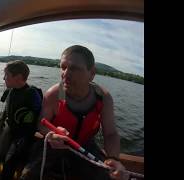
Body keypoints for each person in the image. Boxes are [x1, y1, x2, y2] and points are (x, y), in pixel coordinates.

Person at [20, 45, 129, 180]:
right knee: (28, 176)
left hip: (85, 144)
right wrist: (52, 133)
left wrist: (113, 159)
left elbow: (111, 133)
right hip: (54, 144)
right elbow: (41, 123)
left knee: (106, 176)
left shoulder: (103, 98)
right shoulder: (55, 94)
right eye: (63, 67)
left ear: (92, 73)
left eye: (74, 68)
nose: (65, 74)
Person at [0, 60, 43, 180]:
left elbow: (40, 116)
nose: (3, 78)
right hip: (10, 129)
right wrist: (1, 121)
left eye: (6, 75)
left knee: (10, 160)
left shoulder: (32, 94)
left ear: (18, 77)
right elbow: (6, 108)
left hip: (24, 135)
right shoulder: (9, 90)